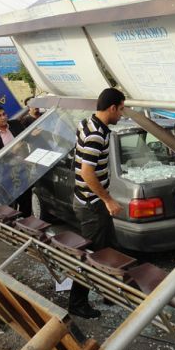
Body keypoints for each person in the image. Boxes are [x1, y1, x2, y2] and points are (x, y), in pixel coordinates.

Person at [70, 87, 126, 319]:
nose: (122, 114)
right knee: (91, 254)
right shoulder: (96, 134)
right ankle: (77, 302)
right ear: (112, 108)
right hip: (92, 204)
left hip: (88, 201)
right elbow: (87, 172)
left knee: (109, 249)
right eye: (121, 109)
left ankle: (108, 291)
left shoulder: (87, 123)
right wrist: (108, 199)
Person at [0, 104, 32, 218]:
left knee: (26, 204)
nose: (3, 117)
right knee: (9, 209)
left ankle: (24, 227)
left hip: (23, 171)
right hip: (6, 176)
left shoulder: (16, 125)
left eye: (4, 114)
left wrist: (33, 135)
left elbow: (28, 138)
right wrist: (13, 150)